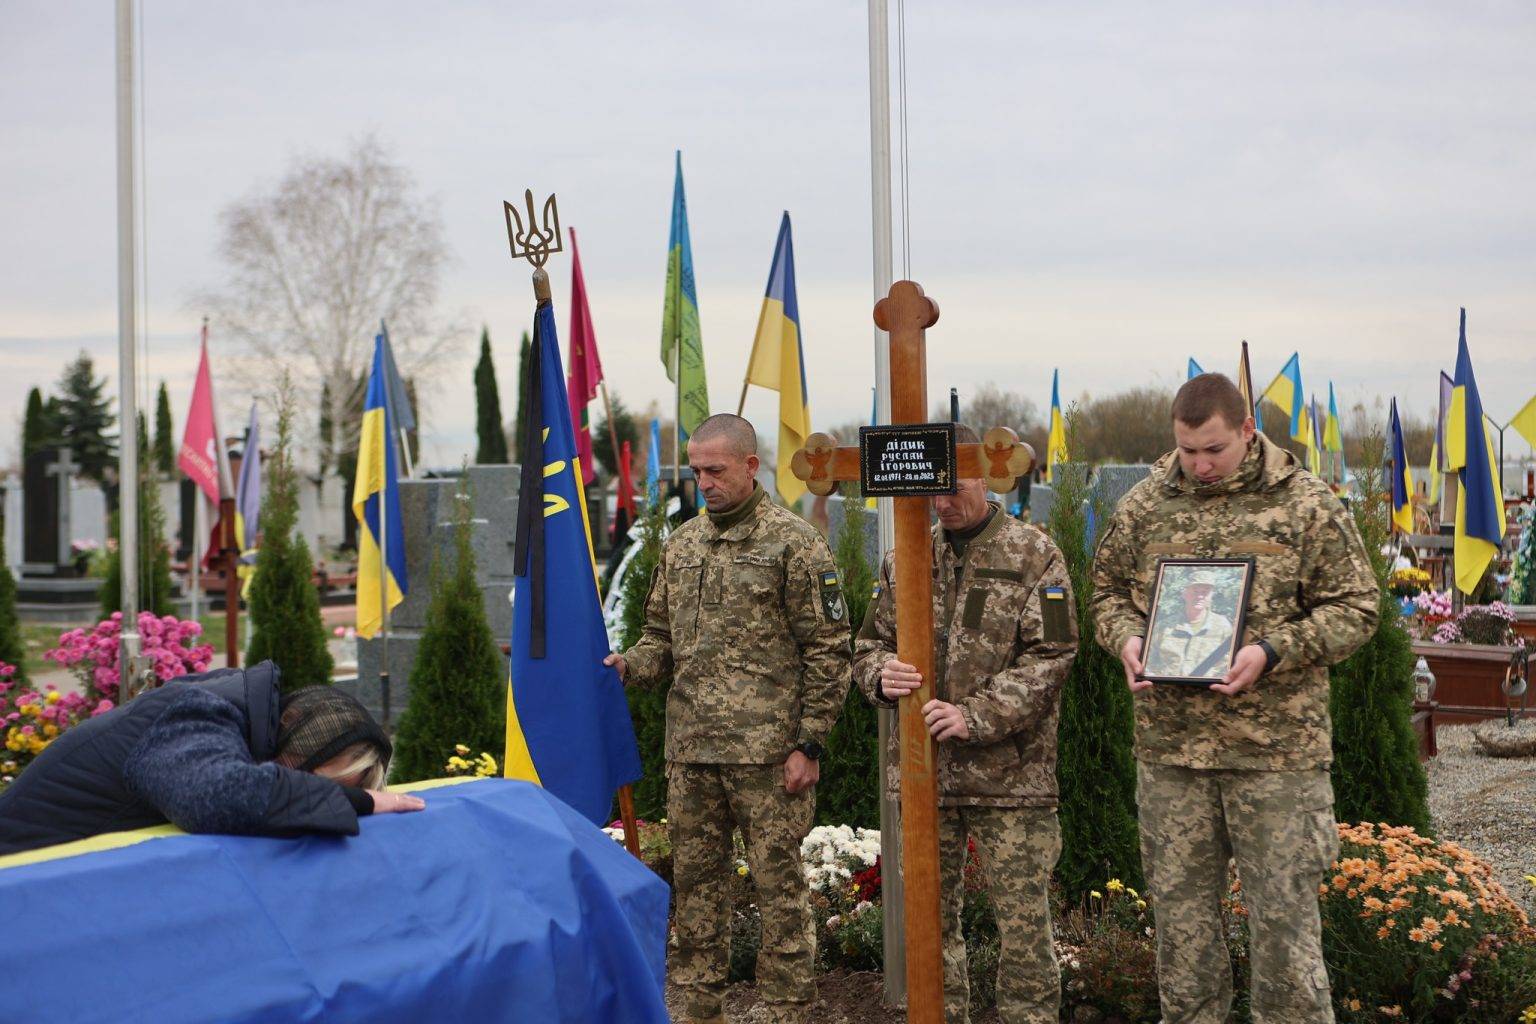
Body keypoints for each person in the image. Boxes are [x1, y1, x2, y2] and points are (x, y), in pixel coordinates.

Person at [1092, 373, 1378, 1023]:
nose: (1200, 465)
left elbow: (1359, 607)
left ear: (1248, 431)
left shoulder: (1305, 503)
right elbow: (1106, 593)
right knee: (1183, 940)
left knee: (1285, 940)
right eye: (1187, 451)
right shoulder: (1145, 505)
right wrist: (1128, 640)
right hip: (1172, 758)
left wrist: (1273, 650)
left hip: (1275, 757)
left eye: (1213, 449)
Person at [604, 413, 851, 1024]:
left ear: (750, 464)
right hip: (692, 754)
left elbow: (829, 649)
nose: (705, 482)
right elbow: (658, 637)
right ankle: (696, 1009)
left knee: (780, 892)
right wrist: (626, 666)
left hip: (769, 757)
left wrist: (810, 744)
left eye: (715, 470)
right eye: (696, 471)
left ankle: (789, 1007)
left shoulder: (794, 543)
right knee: (696, 892)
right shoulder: (683, 543)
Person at [854, 424, 1078, 1024]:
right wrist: (881, 676)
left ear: (983, 473)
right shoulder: (905, 556)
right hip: (924, 775)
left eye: (953, 487)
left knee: (1024, 926)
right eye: (932, 490)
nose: (943, 501)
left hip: (1011, 779)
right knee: (928, 923)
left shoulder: (1034, 553)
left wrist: (974, 715)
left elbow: (1052, 655)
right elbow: (869, 644)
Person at [0, 660, 423, 856]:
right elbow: (219, 796)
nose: (310, 796)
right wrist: (363, 803)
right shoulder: (197, 714)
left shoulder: (231, 714)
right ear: (296, 746)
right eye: (319, 785)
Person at [1150, 569, 1234, 678]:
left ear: (1211, 596)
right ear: (1184, 594)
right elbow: (1149, 661)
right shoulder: (1164, 626)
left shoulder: (1222, 626)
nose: (1200, 596)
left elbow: (1228, 664)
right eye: (1195, 591)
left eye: (1205, 592)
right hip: (1167, 690)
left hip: (1208, 691)